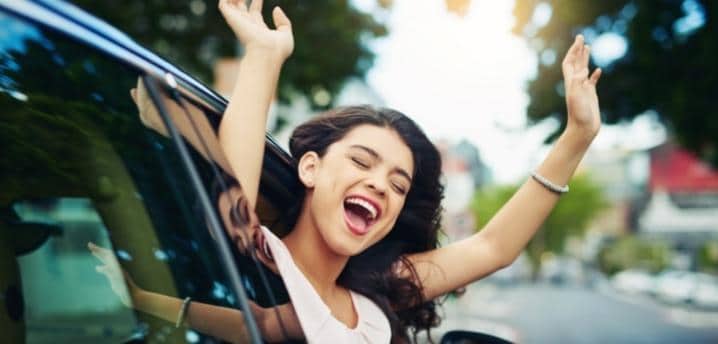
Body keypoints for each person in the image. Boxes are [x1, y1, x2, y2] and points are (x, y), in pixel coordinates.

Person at [93, 0, 603, 342]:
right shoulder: (259, 261)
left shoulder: (378, 288)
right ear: (310, 168)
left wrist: (577, 135)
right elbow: (234, 193)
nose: (380, 184)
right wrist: (265, 58)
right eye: (362, 161)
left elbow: (493, 247)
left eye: (398, 184)